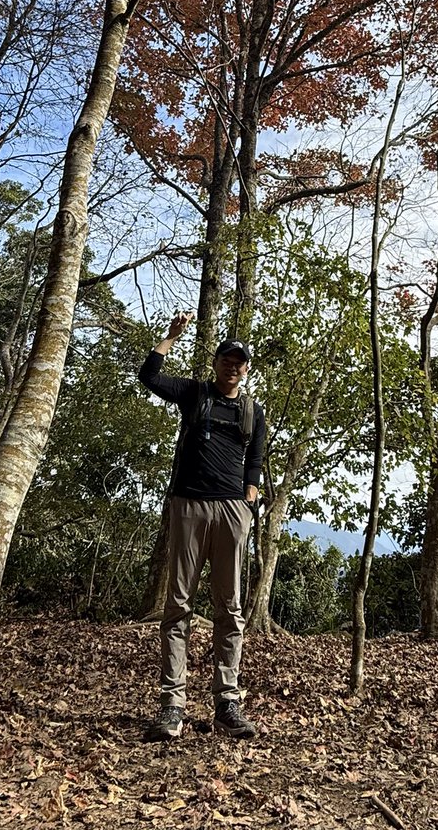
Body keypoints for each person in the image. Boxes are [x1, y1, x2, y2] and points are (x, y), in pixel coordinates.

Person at [139, 312, 265, 742]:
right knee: (178, 606)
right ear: (215, 364)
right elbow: (150, 377)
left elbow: (256, 460)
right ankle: (172, 704)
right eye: (226, 360)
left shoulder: (252, 411)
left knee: (229, 609)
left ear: (245, 369)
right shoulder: (195, 394)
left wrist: (249, 496)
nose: (233, 367)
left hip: (232, 513)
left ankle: (226, 703)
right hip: (189, 506)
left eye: (239, 362)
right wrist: (170, 338)